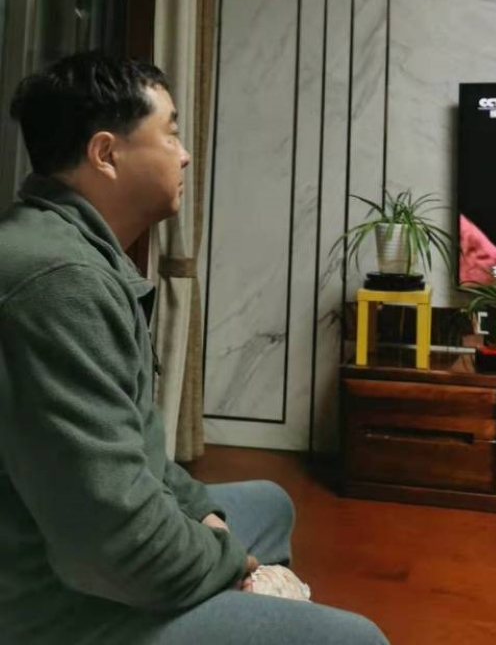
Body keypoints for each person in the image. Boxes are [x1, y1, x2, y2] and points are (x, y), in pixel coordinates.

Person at [0, 52, 388, 645]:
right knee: (356, 639)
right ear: (106, 154)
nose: (183, 155)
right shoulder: (60, 283)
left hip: (82, 551)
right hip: (47, 604)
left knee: (269, 504)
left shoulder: (72, 248)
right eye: (171, 133)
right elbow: (111, 545)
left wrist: (204, 521)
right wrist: (236, 567)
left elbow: (138, 452)